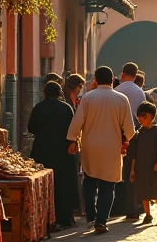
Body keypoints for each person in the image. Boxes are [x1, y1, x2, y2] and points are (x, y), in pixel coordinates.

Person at [66, 66, 135, 233]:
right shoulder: (121, 99)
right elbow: (129, 128)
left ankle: (91, 215)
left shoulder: (88, 98)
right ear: (112, 79)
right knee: (108, 185)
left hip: (90, 145)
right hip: (111, 147)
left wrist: (72, 140)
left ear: (96, 80)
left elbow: (77, 121)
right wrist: (127, 140)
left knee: (89, 180)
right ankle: (101, 220)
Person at [28, 81, 79, 229]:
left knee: (44, 185)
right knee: (63, 185)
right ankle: (64, 218)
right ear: (59, 93)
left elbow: (31, 128)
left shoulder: (39, 107)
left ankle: (45, 219)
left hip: (42, 152)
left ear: (45, 93)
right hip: (63, 152)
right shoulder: (66, 108)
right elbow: (72, 129)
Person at [112, 62, 147, 221]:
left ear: (123, 73)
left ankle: (117, 206)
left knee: (118, 170)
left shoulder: (117, 90)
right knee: (133, 171)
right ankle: (134, 207)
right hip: (135, 134)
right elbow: (142, 114)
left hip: (118, 134)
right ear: (135, 74)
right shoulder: (139, 92)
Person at [128, 101, 157, 224]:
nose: (141, 119)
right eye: (139, 116)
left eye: (144, 116)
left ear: (152, 116)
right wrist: (132, 169)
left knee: (156, 190)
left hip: (154, 167)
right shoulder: (138, 134)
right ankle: (148, 214)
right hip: (141, 167)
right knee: (143, 192)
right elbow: (134, 154)